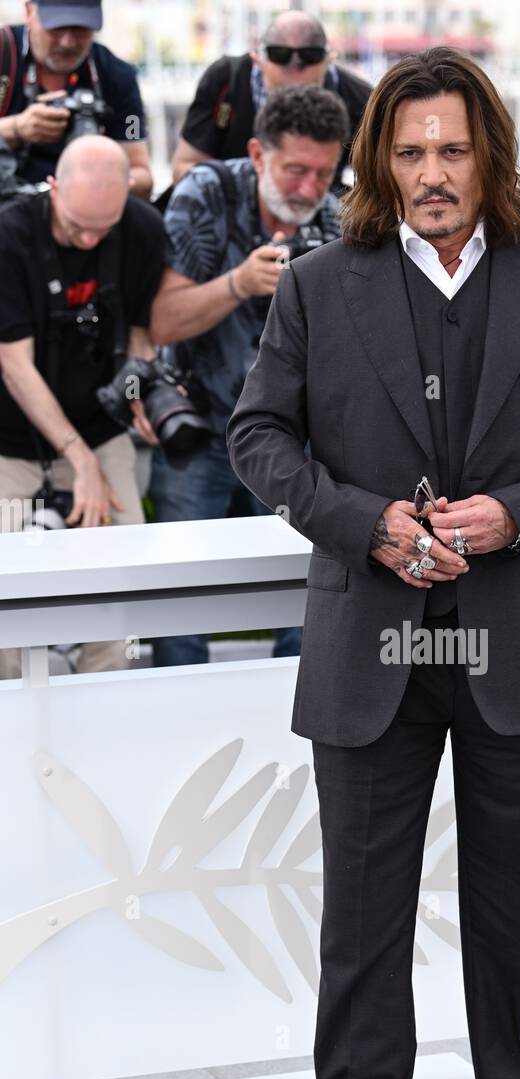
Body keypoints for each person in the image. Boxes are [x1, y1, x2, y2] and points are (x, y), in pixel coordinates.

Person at [228, 46, 520, 1079]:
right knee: (362, 920)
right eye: (406, 152)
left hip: (516, 637)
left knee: (515, 908)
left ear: (488, 154)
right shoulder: (315, 286)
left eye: (450, 149)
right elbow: (259, 435)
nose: (429, 174)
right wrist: (367, 528)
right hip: (371, 643)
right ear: (378, 162)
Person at [148, 85, 347, 666]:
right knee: (179, 596)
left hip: (294, 440)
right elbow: (161, 320)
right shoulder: (204, 191)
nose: (309, 189)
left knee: (308, 594)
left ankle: (298, 733)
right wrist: (239, 283)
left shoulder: (338, 216)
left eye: (323, 172)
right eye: (294, 170)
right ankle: (177, 726)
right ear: (258, 154)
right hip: (200, 426)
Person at [0, 135, 163, 680]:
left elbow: (141, 334)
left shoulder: (140, 229)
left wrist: (137, 393)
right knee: (5, 590)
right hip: (9, 439)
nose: (90, 238)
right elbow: (14, 365)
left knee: (124, 575)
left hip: (98, 427)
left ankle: (109, 701)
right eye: (77, 228)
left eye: (103, 228)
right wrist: (79, 460)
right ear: (53, 188)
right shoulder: (10, 234)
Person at [169, 9, 370, 200]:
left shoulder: (361, 100)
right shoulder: (226, 81)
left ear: (329, 61)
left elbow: (381, 180)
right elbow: (184, 169)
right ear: (256, 59)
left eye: (305, 94)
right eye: (279, 94)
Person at [0, 1, 152, 198]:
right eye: (56, 28)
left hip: (86, 210)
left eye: (81, 29)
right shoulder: (4, 53)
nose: (67, 42)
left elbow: (141, 175)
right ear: (29, 11)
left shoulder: (118, 77)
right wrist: (16, 129)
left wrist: (101, 180)